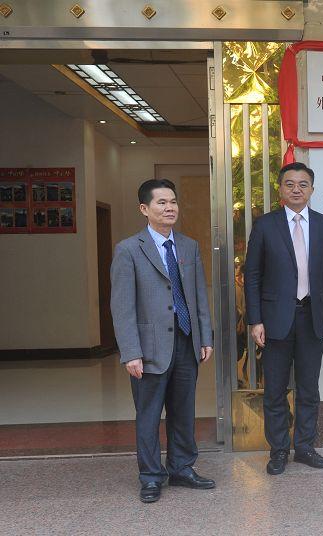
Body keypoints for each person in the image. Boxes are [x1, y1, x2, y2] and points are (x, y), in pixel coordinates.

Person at [110, 179, 215, 503]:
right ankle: (151, 476)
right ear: (145, 209)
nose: (170, 208)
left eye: (173, 202)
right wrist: (131, 352)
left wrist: (204, 335)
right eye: (161, 203)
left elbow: (197, 295)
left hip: (185, 341)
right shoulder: (129, 249)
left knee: (184, 411)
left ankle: (182, 468)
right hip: (149, 347)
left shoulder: (188, 246)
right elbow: (122, 305)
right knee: (149, 414)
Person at [244, 162, 323, 475]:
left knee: (308, 387)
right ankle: (278, 450)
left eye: (303, 184)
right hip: (275, 319)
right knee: (274, 389)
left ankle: (304, 447)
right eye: (290, 184)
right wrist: (255, 319)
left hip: (313, 315)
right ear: (280, 189)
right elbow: (253, 275)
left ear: (312, 189)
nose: (296, 189)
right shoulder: (265, 225)